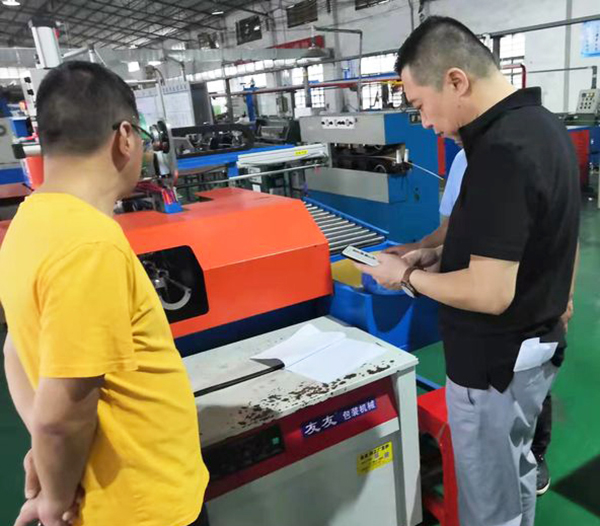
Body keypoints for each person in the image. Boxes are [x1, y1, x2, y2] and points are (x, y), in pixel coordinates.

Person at [358, 17, 579, 526]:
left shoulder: (501, 151)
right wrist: (439, 258)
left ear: (456, 80)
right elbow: (535, 243)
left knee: (489, 505)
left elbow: (489, 293)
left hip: (492, 369)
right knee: (516, 473)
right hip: (531, 353)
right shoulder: (542, 126)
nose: (424, 122)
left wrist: (404, 277)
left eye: (420, 105)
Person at [0, 61, 209, 526]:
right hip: (144, 505)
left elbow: (15, 348)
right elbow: (62, 415)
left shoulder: (27, 223)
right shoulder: (91, 244)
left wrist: (46, 454)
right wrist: (54, 500)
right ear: (126, 137)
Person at [386, 145, 572, 496]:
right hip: (474, 324)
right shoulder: (463, 161)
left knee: (530, 385)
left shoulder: (525, 152)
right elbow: (452, 228)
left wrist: (566, 293)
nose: (428, 124)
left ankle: (535, 453)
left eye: (428, 114)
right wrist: (423, 251)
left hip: (525, 312)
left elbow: (561, 233)